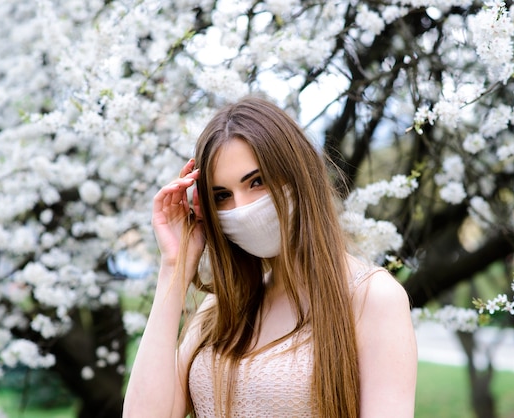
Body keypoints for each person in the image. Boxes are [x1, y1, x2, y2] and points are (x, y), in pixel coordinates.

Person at [123, 96, 417, 417]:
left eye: (257, 182)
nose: (241, 208)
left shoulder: (372, 297)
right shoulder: (221, 309)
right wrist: (174, 267)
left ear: (299, 175)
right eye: (222, 196)